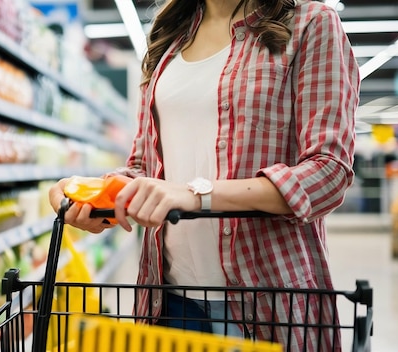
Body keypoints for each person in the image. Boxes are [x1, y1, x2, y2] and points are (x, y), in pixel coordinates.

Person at [49, 0, 360, 350]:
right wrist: (97, 195)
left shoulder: (311, 23)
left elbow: (328, 173)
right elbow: (143, 168)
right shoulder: (170, 37)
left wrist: (198, 194)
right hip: (168, 298)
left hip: (268, 297)